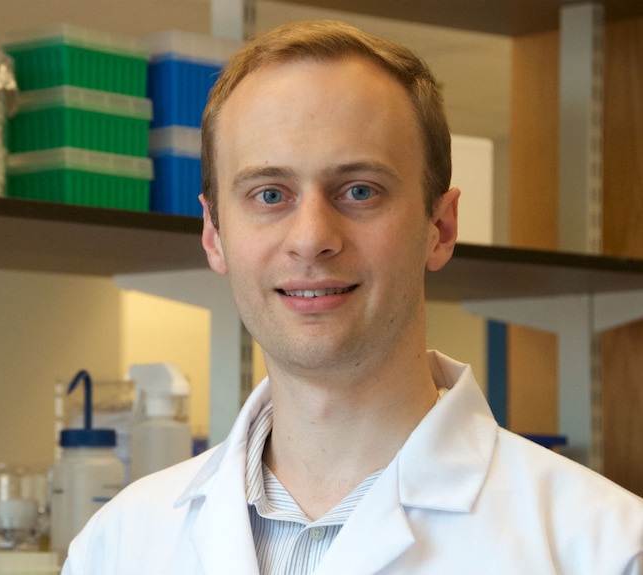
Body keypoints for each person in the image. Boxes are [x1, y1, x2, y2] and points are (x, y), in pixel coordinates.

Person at [62, 19, 643, 574]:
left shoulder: (605, 548)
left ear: (439, 228)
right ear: (214, 235)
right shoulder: (119, 547)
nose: (312, 237)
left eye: (359, 190)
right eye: (269, 194)